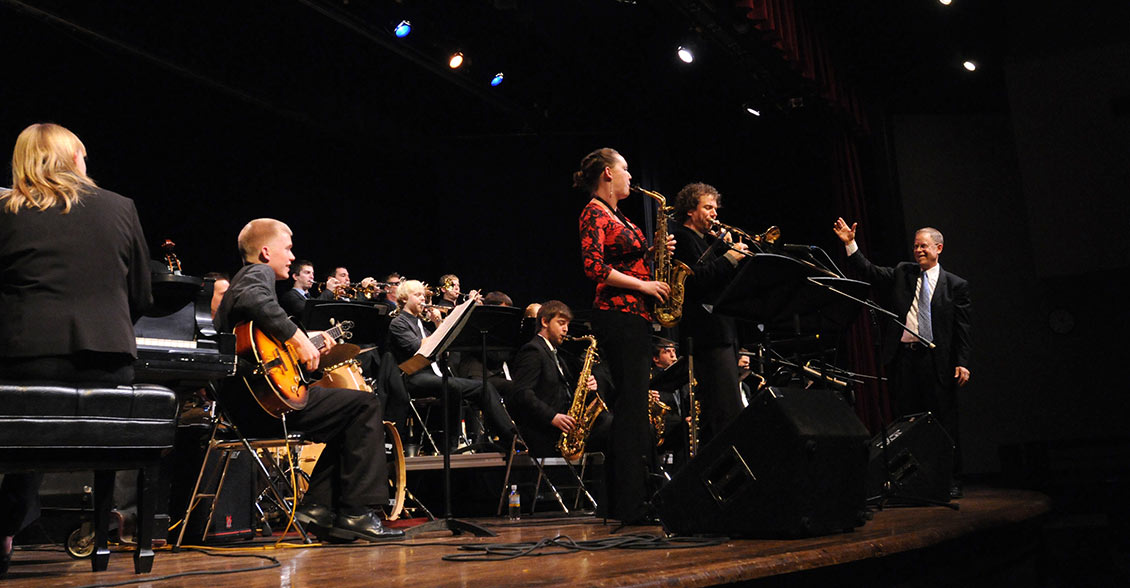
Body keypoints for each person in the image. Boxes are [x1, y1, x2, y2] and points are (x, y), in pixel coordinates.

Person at [0, 123, 152, 576]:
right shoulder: (120, 207)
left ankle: (5, 528)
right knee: (48, 422)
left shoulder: (4, 212)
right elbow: (141, 296)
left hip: (28, 355)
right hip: (108, 362)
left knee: (32, 423)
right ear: (72, 160)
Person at [214, 218, 402, 541]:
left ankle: (319, 508)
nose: (291, 256)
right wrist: (299, 338)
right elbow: (252, 299)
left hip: (251, 407)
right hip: (261, 410)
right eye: (287, 249)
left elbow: (271, 359)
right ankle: (356, 512)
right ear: (264, 251)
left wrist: (308, 350)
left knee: (346, 414)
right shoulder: (254, 276)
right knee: (365, 404)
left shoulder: (254, 285)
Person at [832, 218, 972, 497]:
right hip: (905, 361)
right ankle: (910, 480)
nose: (918, 250)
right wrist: (850, 243)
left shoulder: (956, 285)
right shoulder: (903, 272)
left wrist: (963, 362)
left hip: (937, 363)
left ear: (939, 248)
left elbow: (962, 328)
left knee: (943, 423)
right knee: (906, 423)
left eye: (924, 246)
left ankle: (949, 480)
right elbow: (868, 271)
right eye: (915, 246)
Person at [575, 147, 672, 523]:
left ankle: (621, 501)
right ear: (607, 174)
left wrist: (653, 253)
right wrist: (645, 287)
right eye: (625, 169)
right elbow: (593, 267)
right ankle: (631, 505)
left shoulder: (617, 214)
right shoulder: (593, 212)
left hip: (634, 316)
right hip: (617, 315)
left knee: (632, 406)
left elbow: (623, 260)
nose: (631, 176)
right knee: (631, 407)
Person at [386, 279, 515, 451]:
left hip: (432, 374)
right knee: (458, 387)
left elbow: (443, 351)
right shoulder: (399, 323)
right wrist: (443, 327)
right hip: (413, 377)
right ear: (403, 299)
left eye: (423, 296)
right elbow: (418, 349)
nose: (423, 300)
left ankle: (507, 437)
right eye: (417, 295)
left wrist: (438, 324)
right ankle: (505, 437)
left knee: (483, 387)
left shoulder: (421, 325)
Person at [670, 182, 749, 442]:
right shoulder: (682, 237)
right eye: (708, 207)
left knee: (724, 412)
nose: (715, 213)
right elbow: (695, 281)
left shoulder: (706, 242)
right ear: (691, 210)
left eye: (715, 208)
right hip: (708, 335)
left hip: (723, 333)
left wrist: (725, 252)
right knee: (726, 413)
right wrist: (730, 257)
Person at [509, 301, 611, 457]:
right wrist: (553, 417)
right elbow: (522, 394)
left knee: (614, 424)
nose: (566, 329)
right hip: (547, 432)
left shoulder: (558, 355)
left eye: (567, 325)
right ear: (544, 321)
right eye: (561, 323)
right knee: (613, 427)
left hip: (564, 429)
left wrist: (588, 386)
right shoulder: (533, 350)